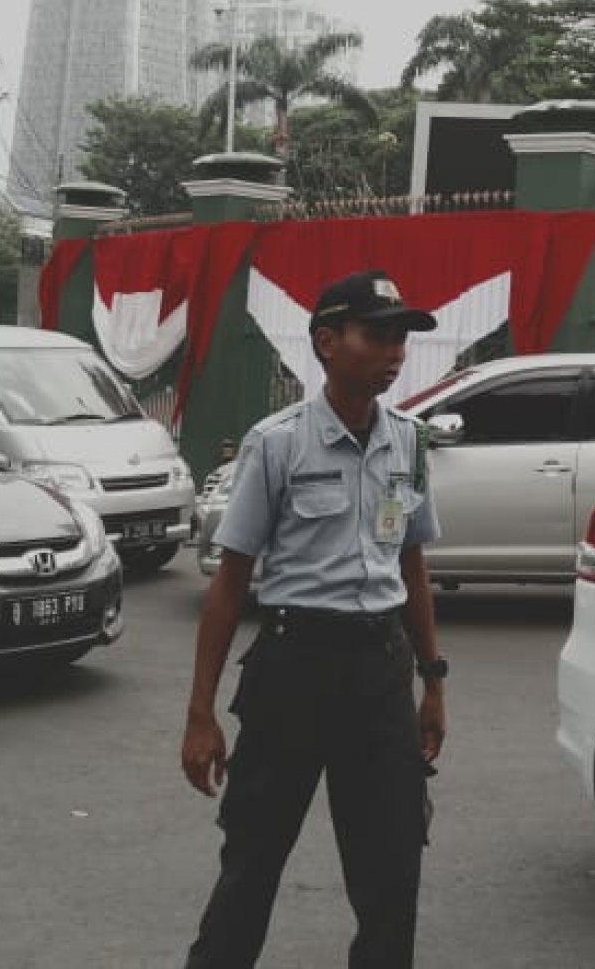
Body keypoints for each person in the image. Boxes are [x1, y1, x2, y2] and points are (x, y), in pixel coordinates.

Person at [180, 269, 448, 969]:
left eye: (401, 337)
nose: (394, 352)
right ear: (327, 342)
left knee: (392, 872)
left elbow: (412, 562)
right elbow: (230, 583)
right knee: (252, 864)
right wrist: (201, 713)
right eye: (377, 335)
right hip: (293, 670)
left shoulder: (410, 442)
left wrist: (432, 681)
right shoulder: (277, 443)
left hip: (380, 675)